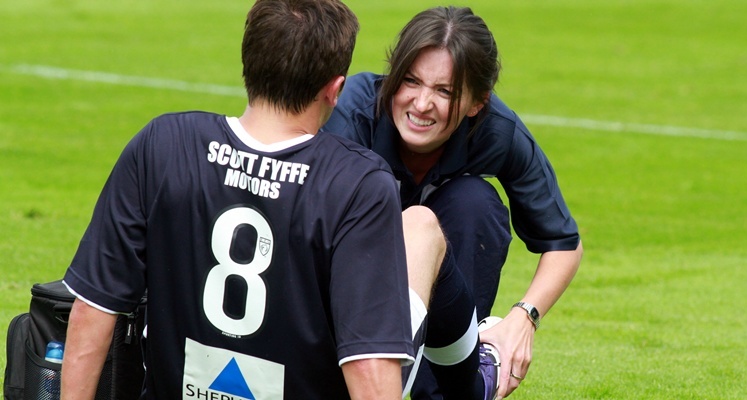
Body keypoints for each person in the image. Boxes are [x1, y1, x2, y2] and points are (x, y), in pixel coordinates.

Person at [58, 0, 490, 399]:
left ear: (248, 61)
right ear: (334, 89)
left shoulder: (161, 143)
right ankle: (480, 374)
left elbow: (93, 308)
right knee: (419, 226)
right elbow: (370, 366)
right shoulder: (358, 180)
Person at [321, 5, 584, 399]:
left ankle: (448, 389)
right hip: (351, 275)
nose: (422, 103)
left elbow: (564, 245)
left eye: (444, 91)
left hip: (442, 280)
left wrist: (523, 318)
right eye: (410, 80)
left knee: (475, 203)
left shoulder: (497, 130)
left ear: (477, 103)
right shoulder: (352, 114)